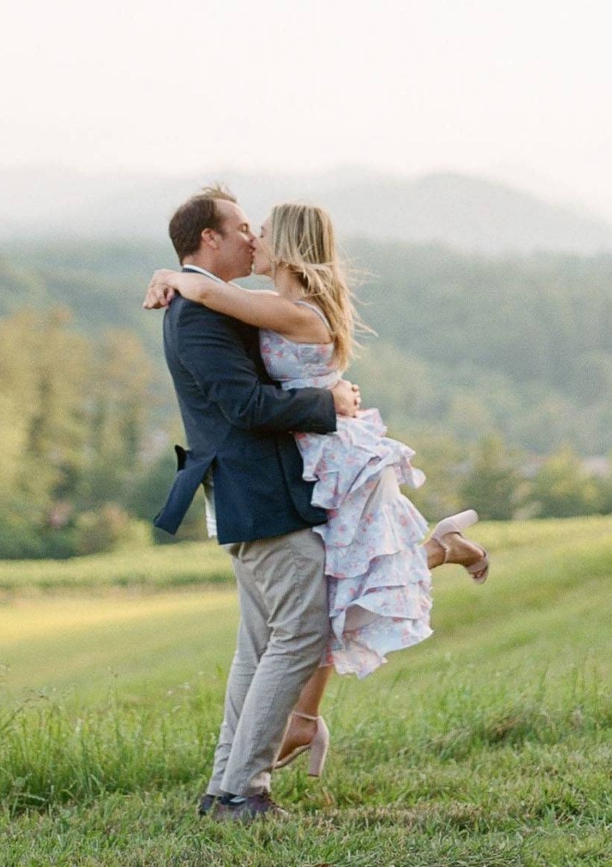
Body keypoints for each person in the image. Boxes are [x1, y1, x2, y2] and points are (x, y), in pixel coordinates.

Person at [144, 200, 489, 780]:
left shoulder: (291, 311)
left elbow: (209, 297)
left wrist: (175, 276)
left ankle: (279, 743)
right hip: (303, 458)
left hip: (333, 457)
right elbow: (211, 307)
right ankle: (283, 737)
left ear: (290, 248)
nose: (253, 240)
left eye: (262, 232)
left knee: (338, 589)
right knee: (333, 589)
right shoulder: (263, 306)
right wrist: (177, 276)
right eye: (245, 230)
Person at [151, 186, 362, 822]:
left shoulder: (214, 302)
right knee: (301, 632)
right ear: (208, 239)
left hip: (259, 490)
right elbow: (244, 407)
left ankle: (225, 789)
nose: (252, 238)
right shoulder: (199, 312)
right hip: (259, 491)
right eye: (241, 227)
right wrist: (330, 405)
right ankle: (246, 790)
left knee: (259, 645)